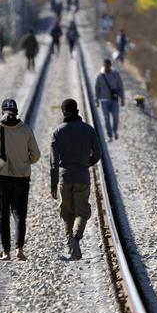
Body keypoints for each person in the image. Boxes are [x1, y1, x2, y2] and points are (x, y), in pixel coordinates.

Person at [0, 99, 41, 261]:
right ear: (16, 112)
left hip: (1, 180)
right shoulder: (25, 130)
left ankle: (6, 252)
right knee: (20, 215)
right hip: (21, 179)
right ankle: (19, 250)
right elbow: (36, 155)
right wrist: (23, 160)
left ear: (2, 112)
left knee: (3, 216)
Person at [50, 99, 101, 260]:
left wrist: (53, 185)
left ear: (63, 112)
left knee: (66, 213)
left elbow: (53, 163)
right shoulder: (89, 130)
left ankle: (71, 244)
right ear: (77, 110)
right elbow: (98, 154)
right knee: (82, 212)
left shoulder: (58, 132)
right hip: (82, 177)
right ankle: (76, 239)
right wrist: (87, 163)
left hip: (65, 178)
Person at [95, 58, 125, 141]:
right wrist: (96, 100)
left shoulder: (115, 74)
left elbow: (120, 87)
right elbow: (97, 88)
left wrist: (122, 98)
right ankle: (109, 135)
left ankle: (115, 131)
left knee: (115, 117)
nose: (107, 67)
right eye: (105, 66)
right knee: (106, 118)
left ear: (110, 66)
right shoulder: (100, 76)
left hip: (114, 100)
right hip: (104, 101)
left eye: (108, 65)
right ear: (104, 66)